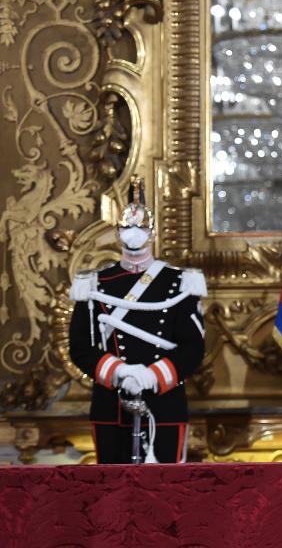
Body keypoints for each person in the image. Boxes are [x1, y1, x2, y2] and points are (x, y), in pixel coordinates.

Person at [68, 176, 206, 463]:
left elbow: (193, 347)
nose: (134, 233)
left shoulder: (180, 282)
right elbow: (80, 347)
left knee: (165, 486)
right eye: (127, 227)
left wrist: (152, 375)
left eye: (141, 228)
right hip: (111, 405)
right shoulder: (93, 283)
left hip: (164, 403)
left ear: (152, 233)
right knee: (112, 487)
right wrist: (120, 372)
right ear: (117, 233)